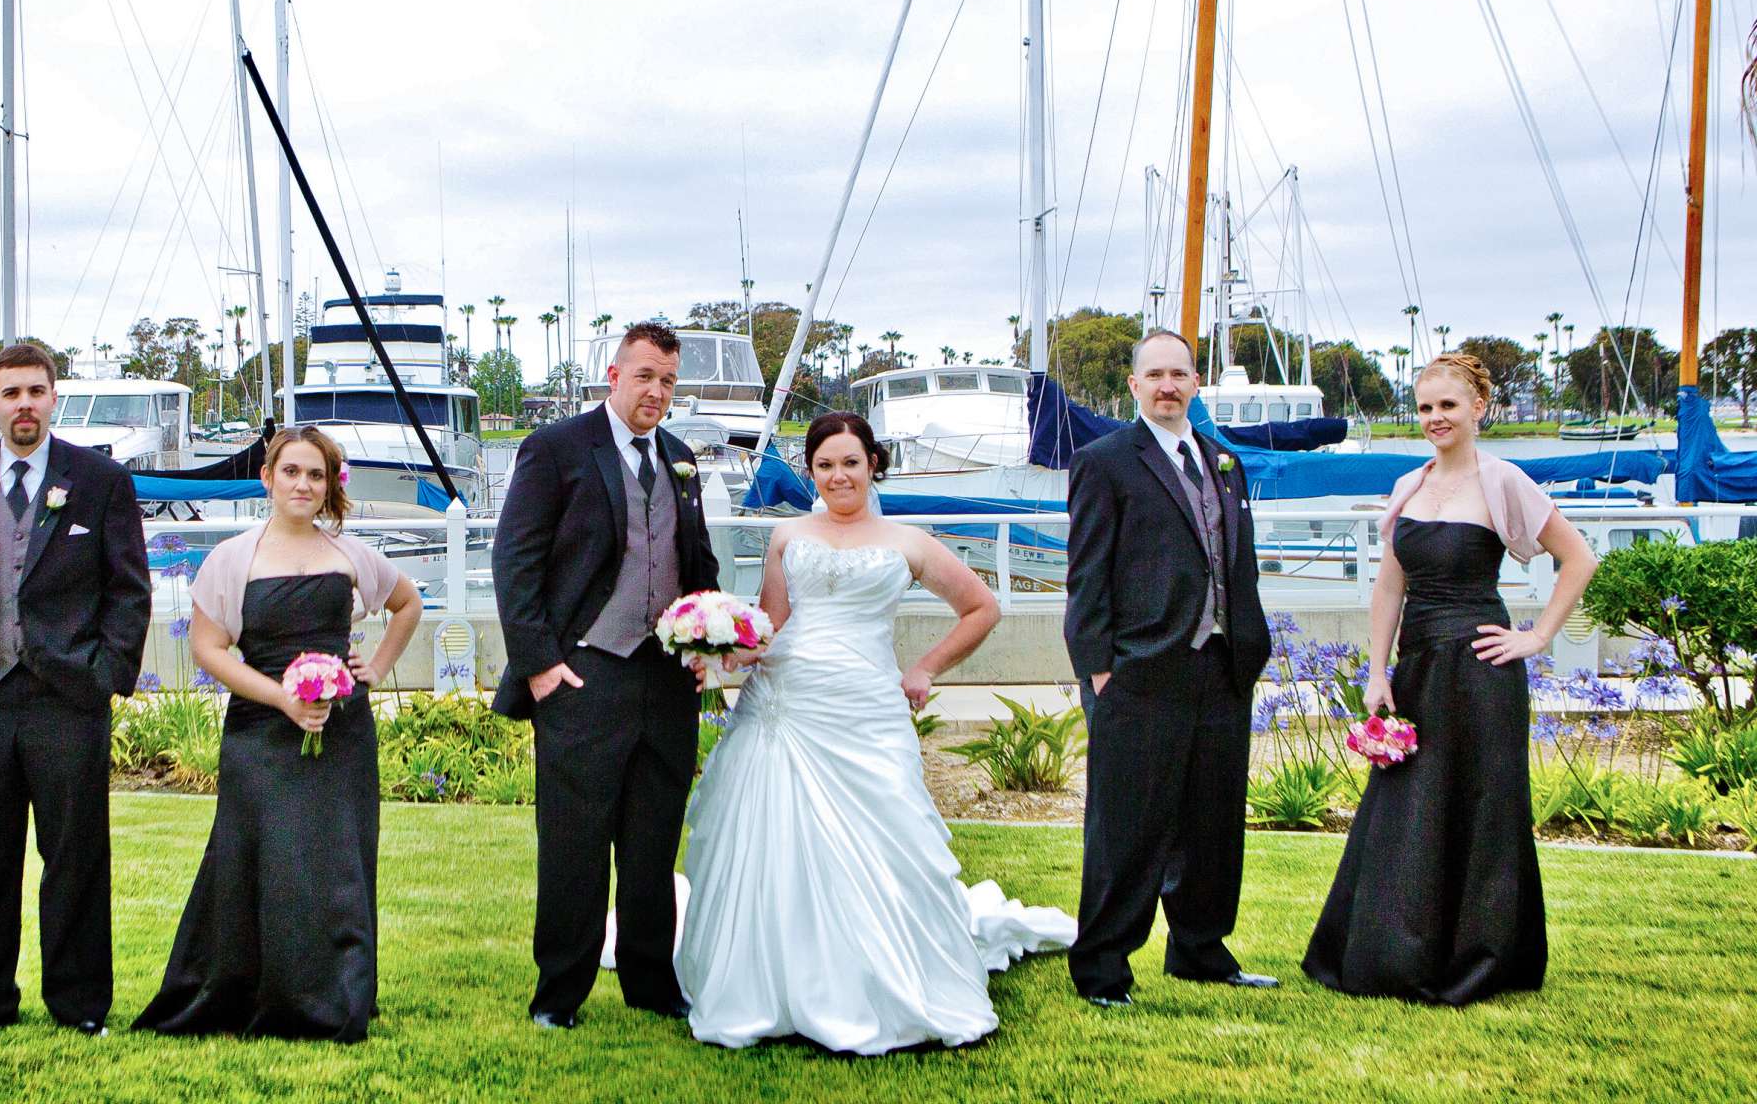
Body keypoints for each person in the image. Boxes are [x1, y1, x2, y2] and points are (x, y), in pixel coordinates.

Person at [676, 412, 1074, 1052]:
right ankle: (771, 982)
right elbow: (771, 624)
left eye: (850, 463)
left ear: (873, 465)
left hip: (865, 707)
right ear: (811, 471)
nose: (838, 476)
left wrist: (924, 668)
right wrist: (721, 649)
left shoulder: (907, 541)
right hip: (784, 702)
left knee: (884, 834)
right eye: (825, 465)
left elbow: (982, 607)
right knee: (773, 837)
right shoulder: (786, 535)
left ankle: (885, 979)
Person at [1304, 352, 1595, 1004]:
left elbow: (1579, 557)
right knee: (1408, 810)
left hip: (1482, 673)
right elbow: (1388, 587)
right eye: (1427, 406)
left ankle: (1480, 958)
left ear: (1478, 409)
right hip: (1418, 669)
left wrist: (1537, 635)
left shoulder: (1504, 482)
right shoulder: (1410, 485)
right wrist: (1377, 673)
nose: (1436, 418)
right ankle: (1392, 954)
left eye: (1449, 406)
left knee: (1480, 808)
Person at [135, 426, 421, 1042]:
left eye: (315, 475)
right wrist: (281, 699)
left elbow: (409, 603)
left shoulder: (350, 555)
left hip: (341, 730)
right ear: (267, 479)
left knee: (337, 861)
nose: (303, 484)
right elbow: (210, 649)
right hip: (261, 731)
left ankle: (335, 996)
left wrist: (380, 665)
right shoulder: (234, 558)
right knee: (260, 860)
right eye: (291, 471)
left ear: (328, 486)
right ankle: (245, 992)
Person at [0, 340, 152, 1040]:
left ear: (54, 398)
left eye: (36, 392)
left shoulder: (100, 480)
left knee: (75, 856)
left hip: (66, 697)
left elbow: (129, 590)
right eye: (10, 393)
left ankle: (80, 1005)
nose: (24, 405)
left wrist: (105, 673)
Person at [490, 321, 721, 1029]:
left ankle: (653, 985)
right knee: (574, 845)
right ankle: (559, 994)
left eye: (669, 381)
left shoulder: (681, 459)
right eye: (645, 376)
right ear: (614, 376)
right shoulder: (556, 448)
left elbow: (698, 561)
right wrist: (542, 668)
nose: (657, 391)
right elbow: (515, 562)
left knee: (653, 844)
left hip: (666, 680)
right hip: (582, 676)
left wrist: (711, 638)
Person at [1062, 328, 1276, 1007]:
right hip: (1139, 671)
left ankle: (1200, 951)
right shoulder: (1105, 462)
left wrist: (1250, 649)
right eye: (1153, 374)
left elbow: (1235, 564)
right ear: (1133, 385)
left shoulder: (1222, 461)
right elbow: (1087, 577)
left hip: (1221, 668)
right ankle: (1101, 968)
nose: (1167, 385)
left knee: (1213, 823)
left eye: (1178, 373)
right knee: (1127, 827)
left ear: (1194, 382)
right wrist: (1099, 670)